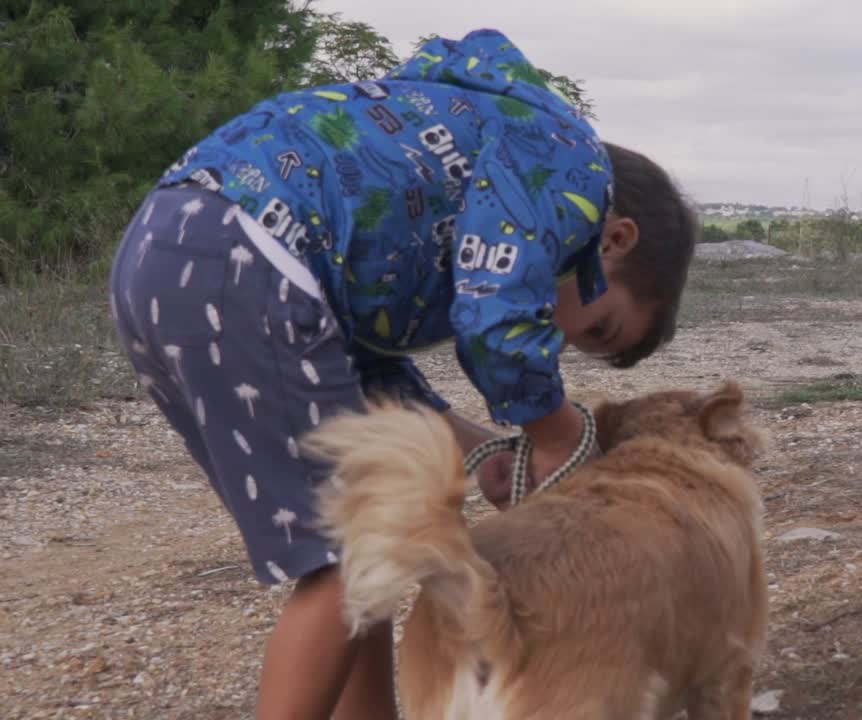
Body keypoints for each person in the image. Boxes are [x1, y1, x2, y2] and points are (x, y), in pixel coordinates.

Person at [106, 27, 698, 720]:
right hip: (249, 259)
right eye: (598, 325)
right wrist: (558, 429)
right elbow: (497, 326)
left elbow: (365, 366)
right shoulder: (566, 167)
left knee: (371, 535)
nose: (562, 338)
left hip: (167, 251)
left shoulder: (469, 173)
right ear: (615, 236)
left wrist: (479, 445)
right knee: (350, 558)